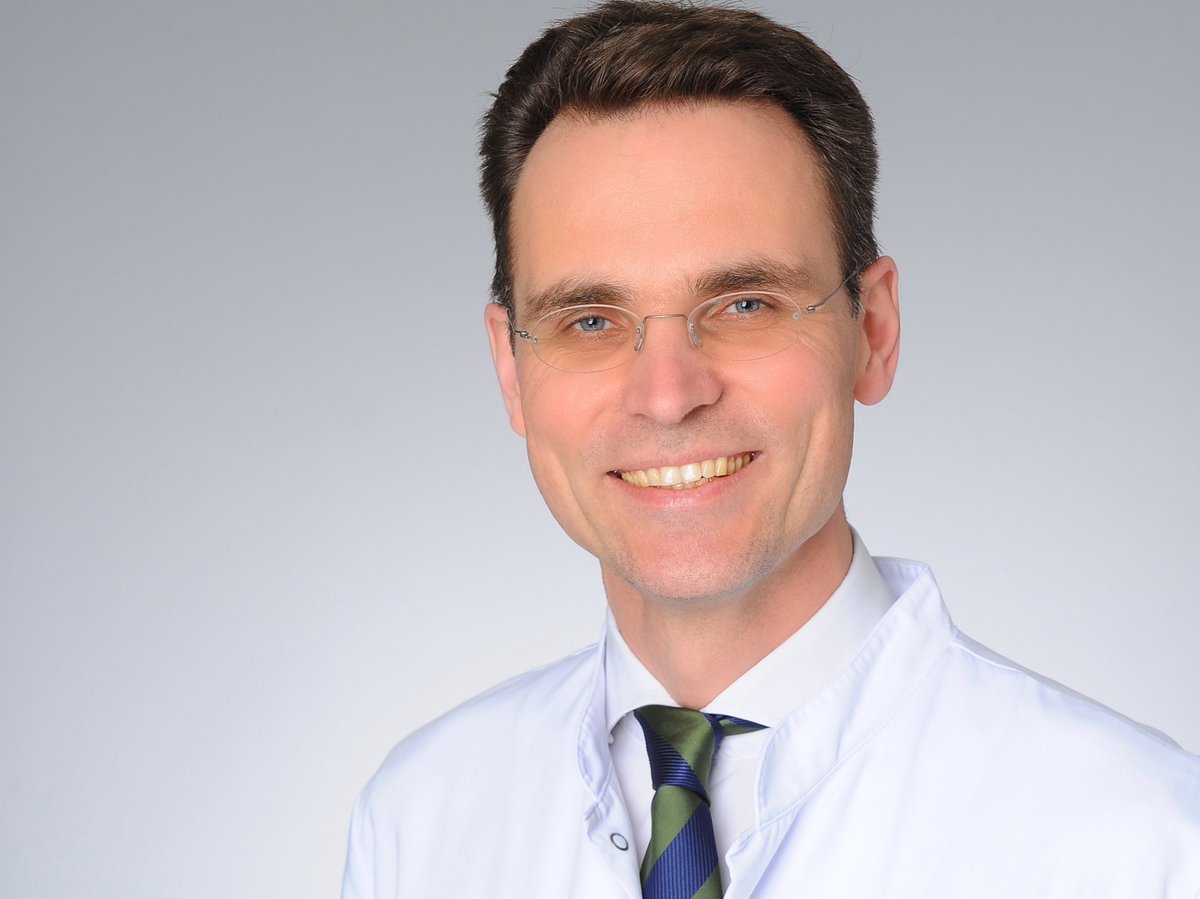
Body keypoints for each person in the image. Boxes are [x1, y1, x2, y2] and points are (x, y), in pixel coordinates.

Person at [341, 2, 1200, 896]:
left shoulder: (1143, 846)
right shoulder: (419, 826)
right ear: (511, 369)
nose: (668, 394)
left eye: (745, 304)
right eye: (589, 320)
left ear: (873, 330)